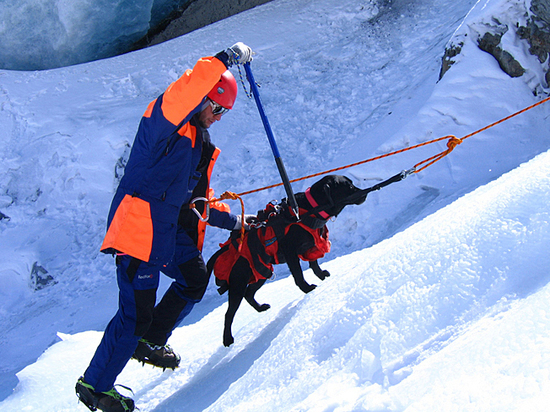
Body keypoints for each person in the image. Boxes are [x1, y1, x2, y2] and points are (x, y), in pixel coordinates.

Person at [75, 42, 254, 412]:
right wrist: (224, 59)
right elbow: (187, 89)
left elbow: (199, 202)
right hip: (138, 231)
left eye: (225, 112)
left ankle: (152, 339)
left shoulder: (197, 143)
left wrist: (235, 221)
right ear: (202, 98)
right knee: (134, 315)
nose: (219, 116)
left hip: (164, 234)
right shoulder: (163, 125)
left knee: (193, 278)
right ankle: (95, 385)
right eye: (217, 107)